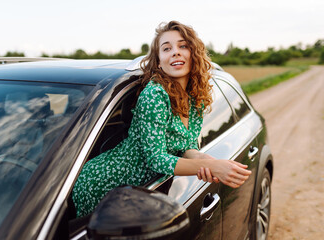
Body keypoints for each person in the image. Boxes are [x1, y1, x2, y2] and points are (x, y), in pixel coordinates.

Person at [72, 21, 251, 217]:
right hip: (103, 182)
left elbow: (188, 148)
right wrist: (209, 166)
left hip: (138, 190)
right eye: (167, 48)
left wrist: (207, 161)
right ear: (158, 61)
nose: (175, 52)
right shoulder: (155, 95)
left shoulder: (195, 98)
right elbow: (156, 160)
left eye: (183, 46)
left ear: (194, 54)